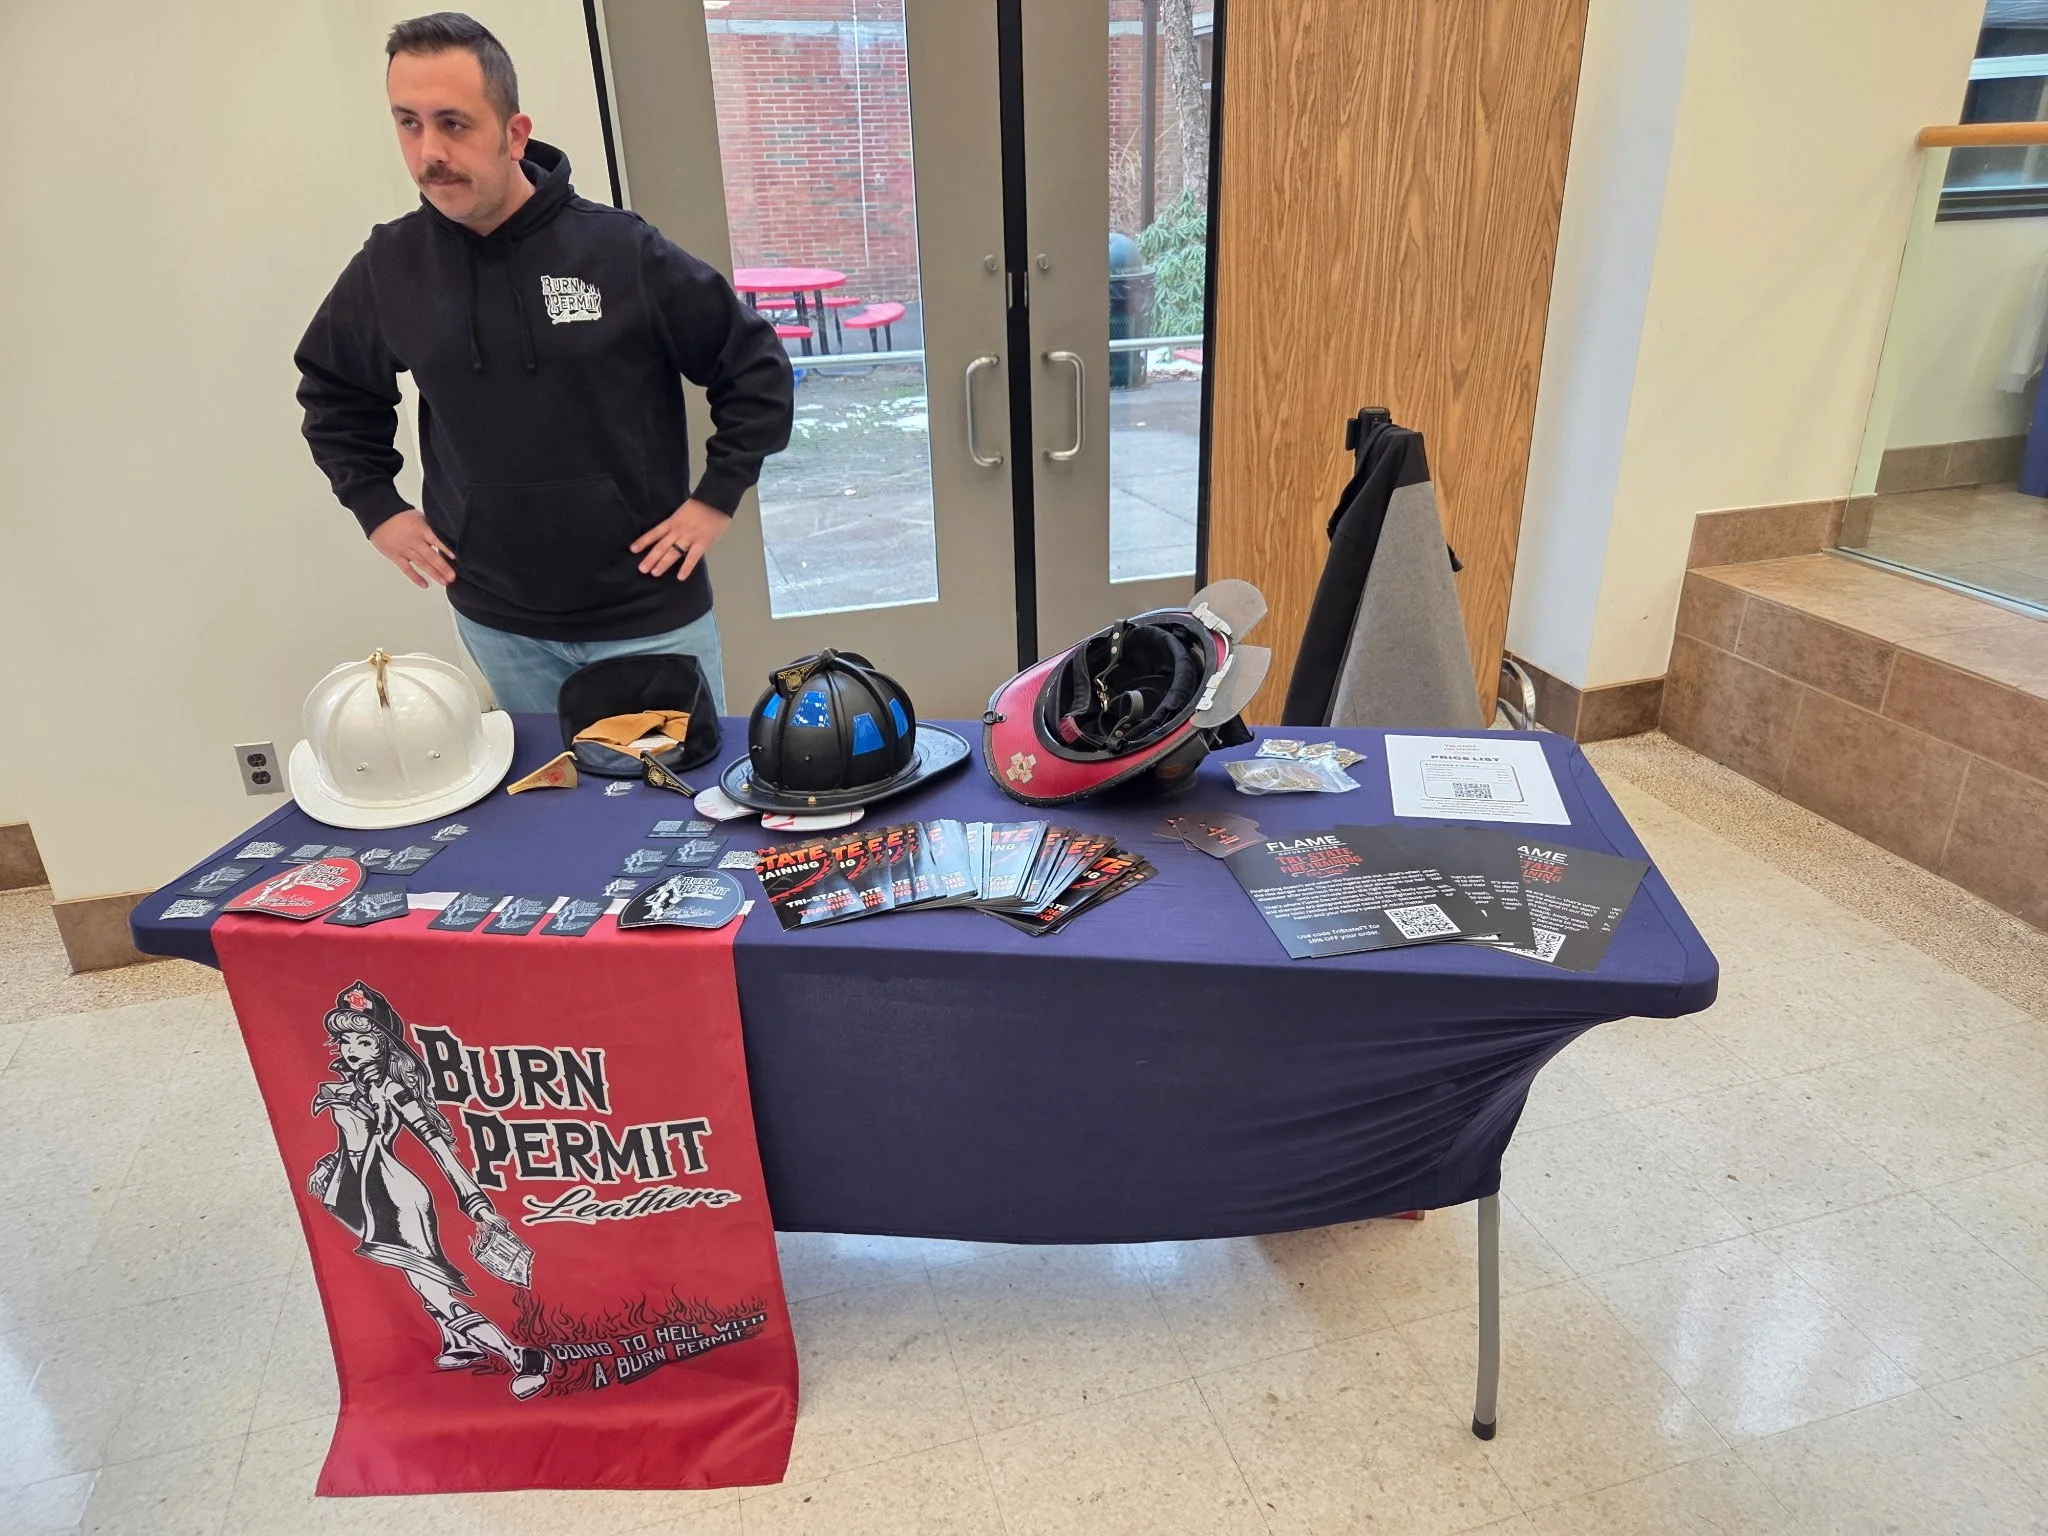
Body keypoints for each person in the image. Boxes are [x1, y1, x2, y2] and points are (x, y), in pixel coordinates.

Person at [296, 12, 792, 715]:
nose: (429, 151)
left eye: (454, 123)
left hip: (644, 616)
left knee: (676, 814)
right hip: (499, 622)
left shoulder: (621, 253)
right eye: (409, 123)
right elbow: (335, 390)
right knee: (553, 812)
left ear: (514, 132)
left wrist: (717, 497)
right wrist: (378, 508)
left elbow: (754, 367)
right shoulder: (391, 266)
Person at [309, 982, 549, 1400]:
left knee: (428, 1284)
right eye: (347, 1040)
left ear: (383, 1047)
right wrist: (329, 1165)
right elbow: (350, 1142)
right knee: (412, 1275)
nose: (353, 1049)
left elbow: (438, 1147)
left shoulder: (391, 1089)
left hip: (394, 1196)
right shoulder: (352, 1088)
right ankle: (459, 1343)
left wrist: (477, 1204)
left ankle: (522, 1358)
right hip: (360, 1190)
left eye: (364, 1041)